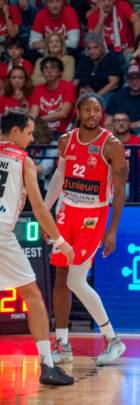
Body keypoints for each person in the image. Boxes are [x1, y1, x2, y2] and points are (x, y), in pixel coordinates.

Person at [43, 94, 128, 366]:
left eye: (97, 110)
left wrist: (112, 230)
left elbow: (119, 194)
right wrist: (46, 212)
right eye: (87, 109)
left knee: (76, 280)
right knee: (60, 279)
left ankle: (112, 339)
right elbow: (59, 177)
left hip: (93, 215)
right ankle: (63, 343)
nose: (92, 114)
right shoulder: (66, 140)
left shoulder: (112, 146)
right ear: (78, 112)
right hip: (66, 211)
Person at [0, 110, 75, 385]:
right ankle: (47, 365)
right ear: (16, 131)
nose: (32, 139)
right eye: (30, 132)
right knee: (33, 296)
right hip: (0, 231)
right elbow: (40, 208)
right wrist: (60, 241)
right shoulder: (22, 160)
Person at [29, 57, 76, 139]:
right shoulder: (38, 89)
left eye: (53, 68)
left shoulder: (68, 87)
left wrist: (39, 120)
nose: (49, 71)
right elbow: (33, 114)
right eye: (46, 68)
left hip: (62, 133)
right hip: (42, 132)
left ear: (60, 72)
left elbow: (63, 113)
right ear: (42, 72)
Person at [73, 33, 122, 101]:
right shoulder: (83, 60)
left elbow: (114, 84)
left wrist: (96, 97)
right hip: (85, 94)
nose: (92, 51)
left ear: (102, 47)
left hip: (106, 94)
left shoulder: (111, 59)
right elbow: (76, 82)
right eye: (89, 48)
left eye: (95, 47)